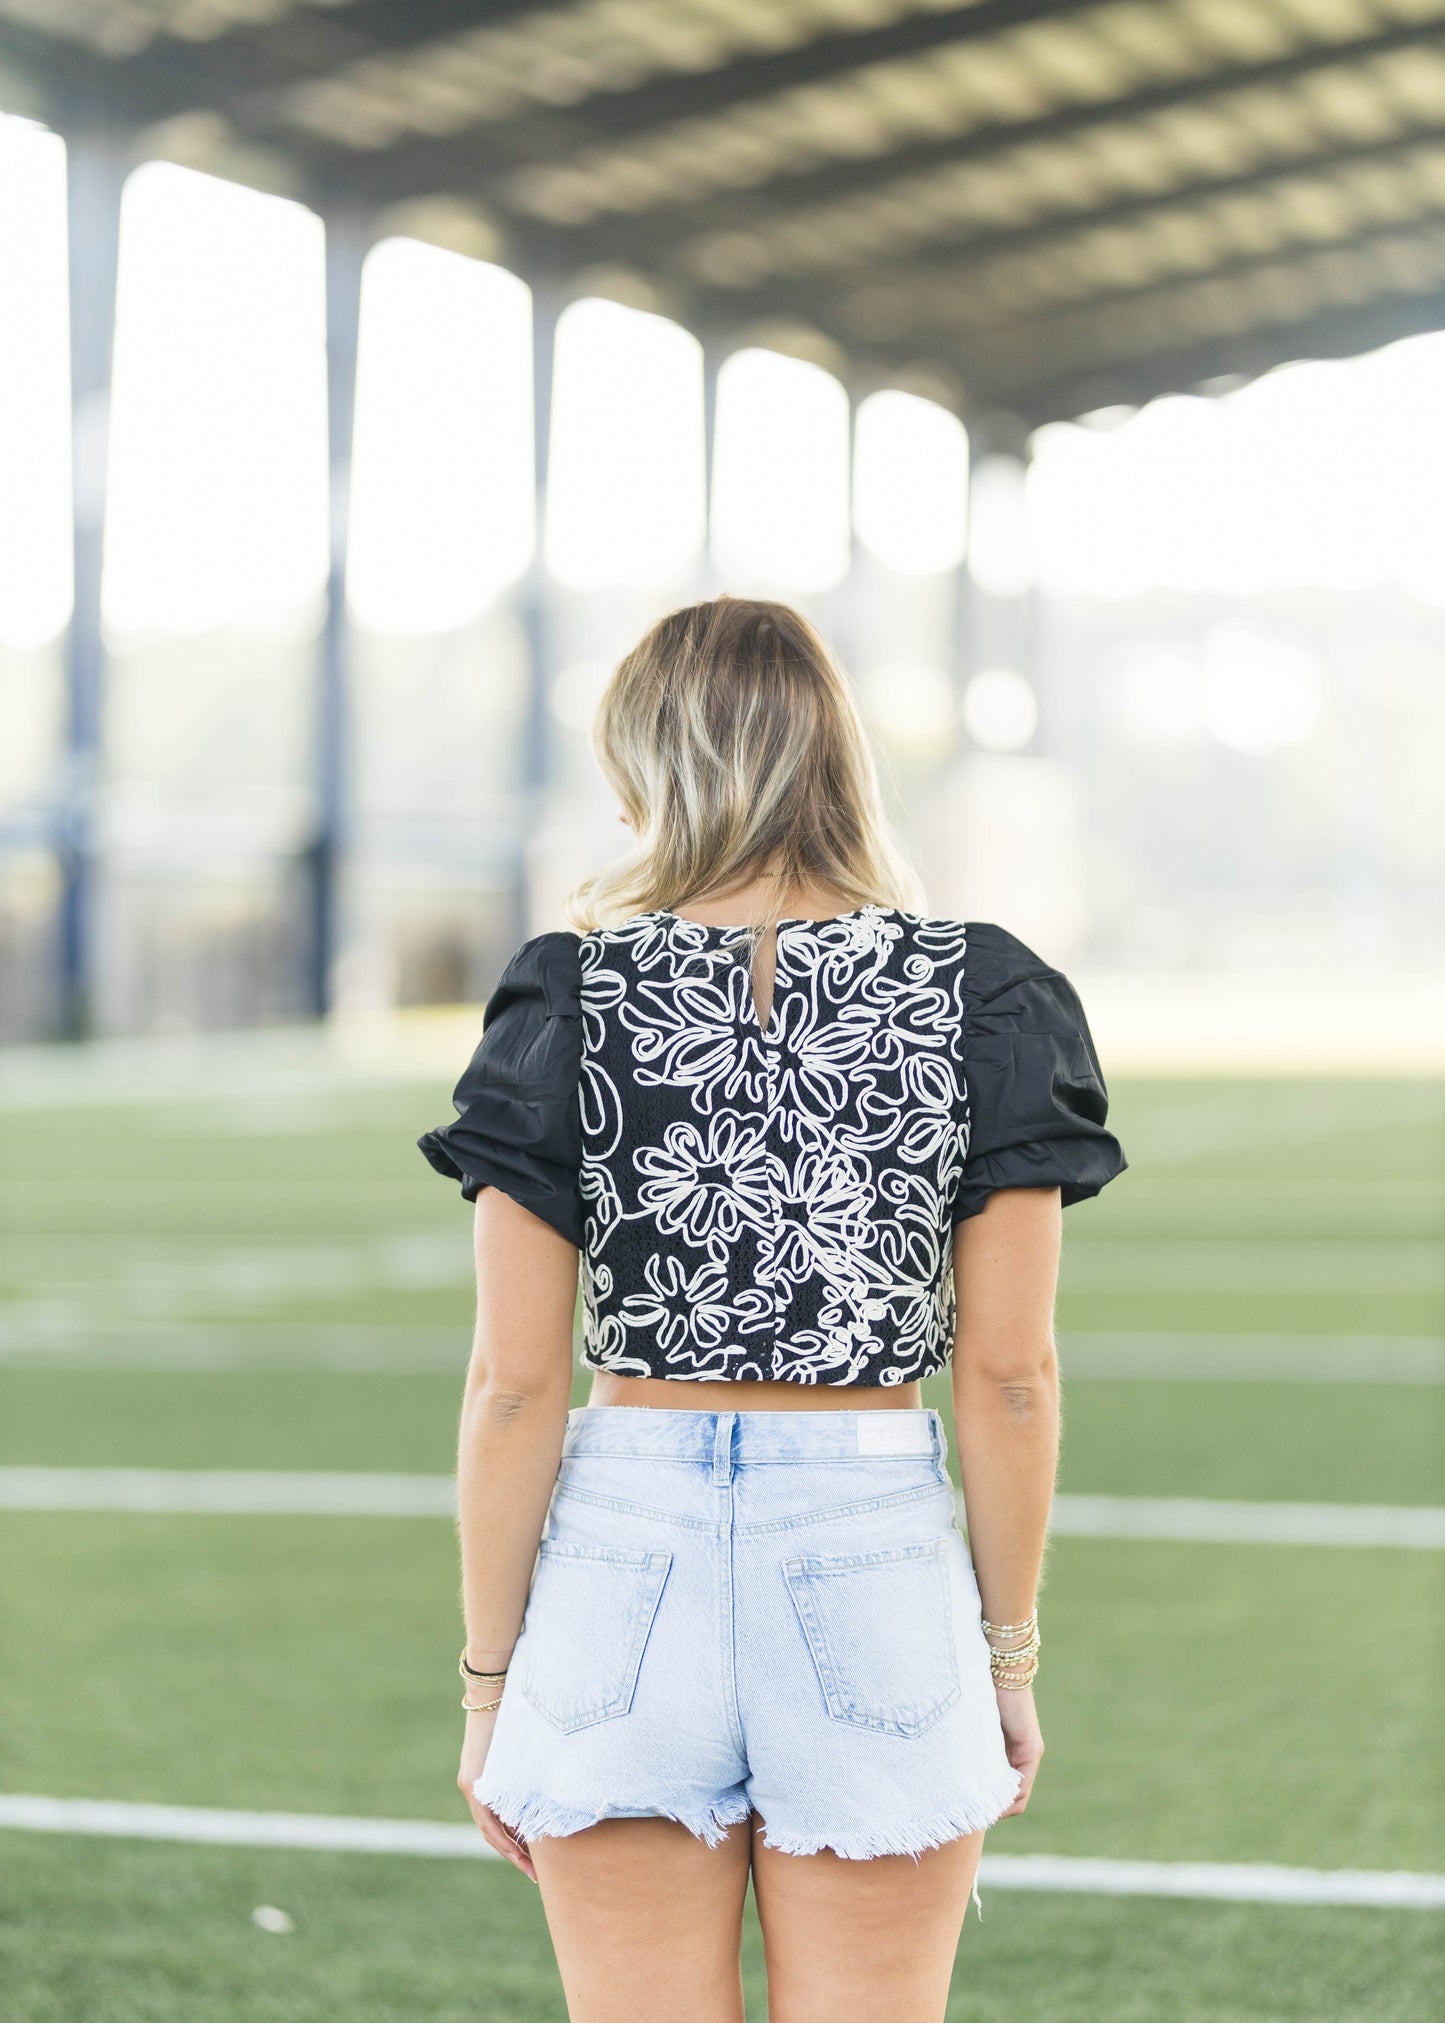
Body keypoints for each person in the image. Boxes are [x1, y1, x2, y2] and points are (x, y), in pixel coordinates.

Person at [418, 595, 1128, 2023]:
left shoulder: (566, 992)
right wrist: (1005, 1655)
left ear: (643, 764)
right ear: (838, 755)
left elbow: (511, 1383)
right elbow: (1006, 1376)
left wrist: (492, 1687)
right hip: (868, 1544)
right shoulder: (981, 989)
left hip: (624, 1555)